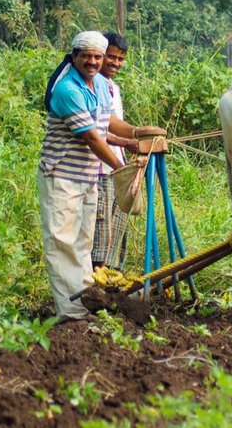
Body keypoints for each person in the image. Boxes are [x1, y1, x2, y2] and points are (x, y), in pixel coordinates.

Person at [37, 31, 155, 322]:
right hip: (62, 176)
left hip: (88, 177)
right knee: (62, 242)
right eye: (86, 55)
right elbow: (91, 137)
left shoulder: (101, 84)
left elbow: (106, 122)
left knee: (82, 244)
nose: (92, 61)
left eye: (97, 57)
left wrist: (136, 135)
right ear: (74, 56)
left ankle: (84, 304)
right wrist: (121, 167)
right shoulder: (67, 89)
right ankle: (70, 311)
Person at [92, 32, 134, 271]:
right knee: (101, 226)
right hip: (102, 167)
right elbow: (99, 127)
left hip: (118, 165)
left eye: (120, 59)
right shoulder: (92, 84)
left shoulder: (113, 87)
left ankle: (112, 278)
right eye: (111, 57)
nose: (115, 63)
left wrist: (135, 139)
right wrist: (134, 136)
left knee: (118, 224)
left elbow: (114, 121)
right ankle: (97, 281)